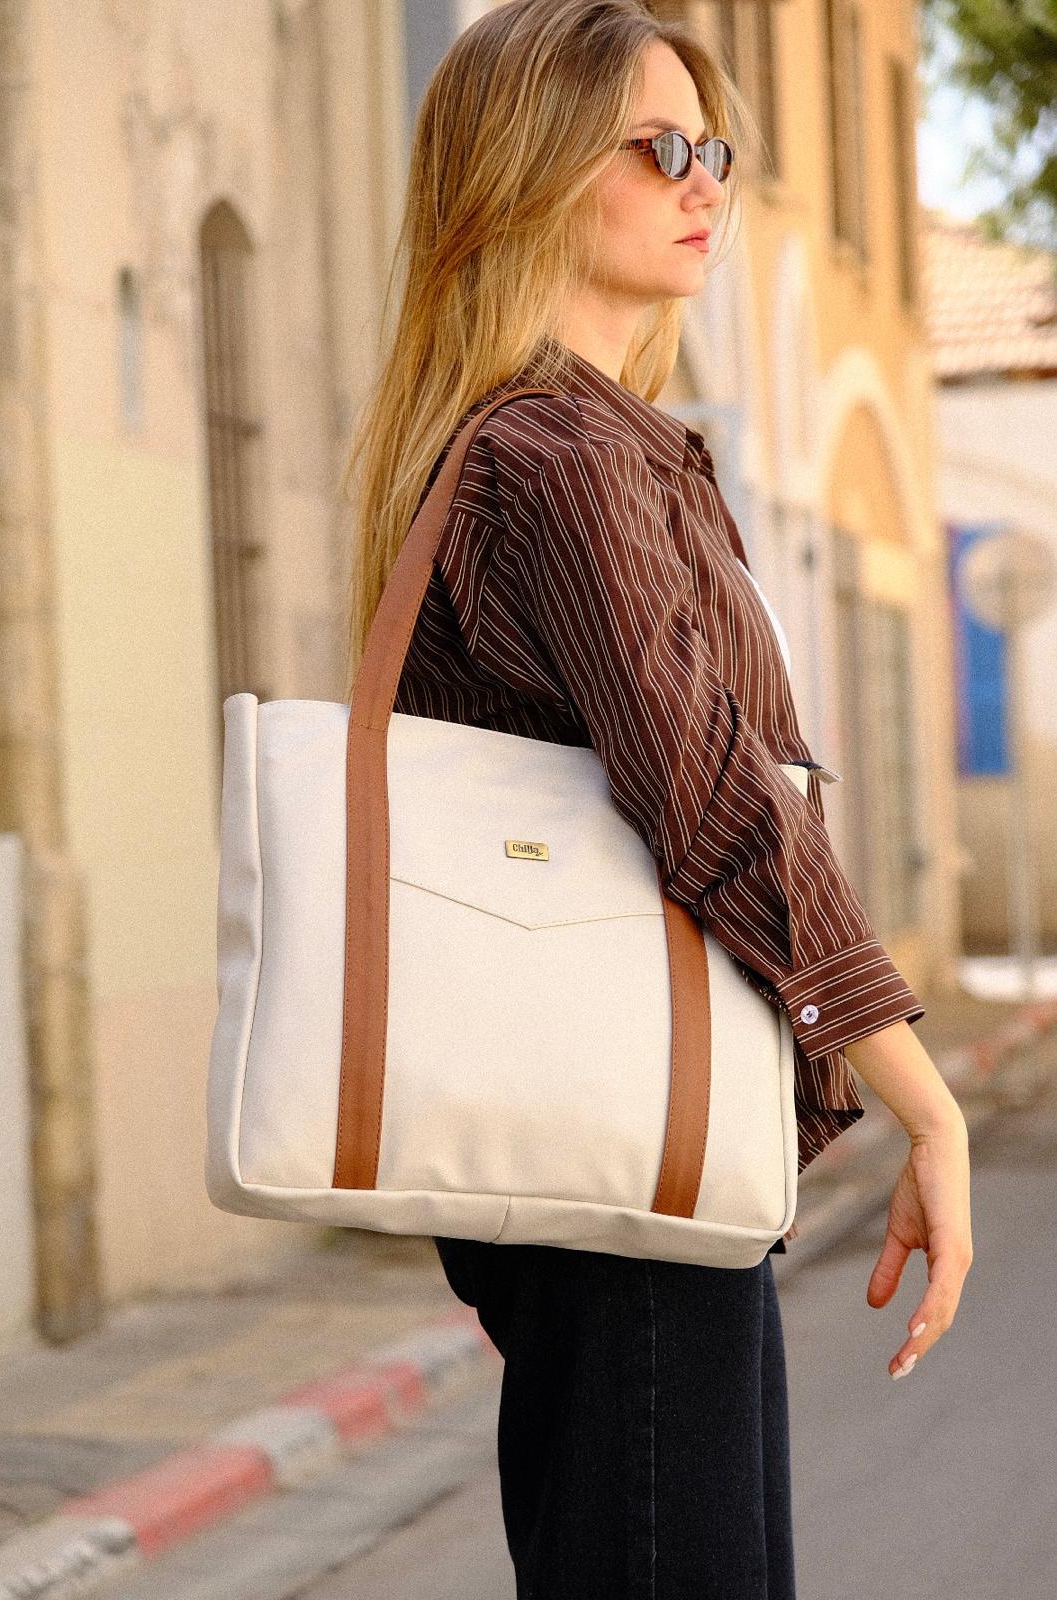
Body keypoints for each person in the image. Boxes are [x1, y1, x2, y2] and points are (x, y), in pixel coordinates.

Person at [338, 2, 973, 1594]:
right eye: (658, 146)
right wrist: (923, 1097)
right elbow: (713, 800)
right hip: (625, 1183)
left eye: (717, 151)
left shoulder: (606, 450)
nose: (705, 181)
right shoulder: (555, 455)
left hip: (644, 1162)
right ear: (529, 171)